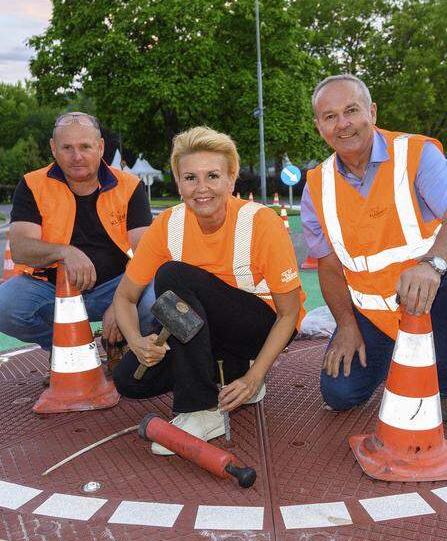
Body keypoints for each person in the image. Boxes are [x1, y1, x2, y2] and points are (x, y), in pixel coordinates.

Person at [300, 74, 447, 438]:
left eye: (352, 110)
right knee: (338, 394)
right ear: (319, 126)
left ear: (371, 112)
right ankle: (399, 356)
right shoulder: (316, 186)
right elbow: (327, 265)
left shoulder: (415, 154)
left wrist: (431, 265)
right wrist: (345, 325)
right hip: (372, 314)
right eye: (330, 116)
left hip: (426, 298)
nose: (343, 124)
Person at [110, 126, 306, 453]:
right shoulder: (167, 225)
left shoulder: (262, 223)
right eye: (190, 178)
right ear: (178, 182)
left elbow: (290, 313)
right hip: (206, 332)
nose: (202, 189)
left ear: (232, 178)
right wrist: (136, 341)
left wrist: (257, 375)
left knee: (173, 275)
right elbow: (125, 296)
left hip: (259, 326)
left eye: (213, 176)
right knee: (130, 380)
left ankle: (200, 409)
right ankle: (230, 373)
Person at [0, 112, 155, 358]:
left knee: (158, 298)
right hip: (52, 289)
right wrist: (65, 252)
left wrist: (122, 301)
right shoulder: (33, 184)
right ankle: (70, 350)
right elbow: (21, 247)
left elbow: (146, 252)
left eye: (85, 146)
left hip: (116, 285)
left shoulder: (129, 185)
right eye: (67, 148)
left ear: (101, 147)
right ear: (54, 148)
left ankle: (123, 345)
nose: (77, 157)